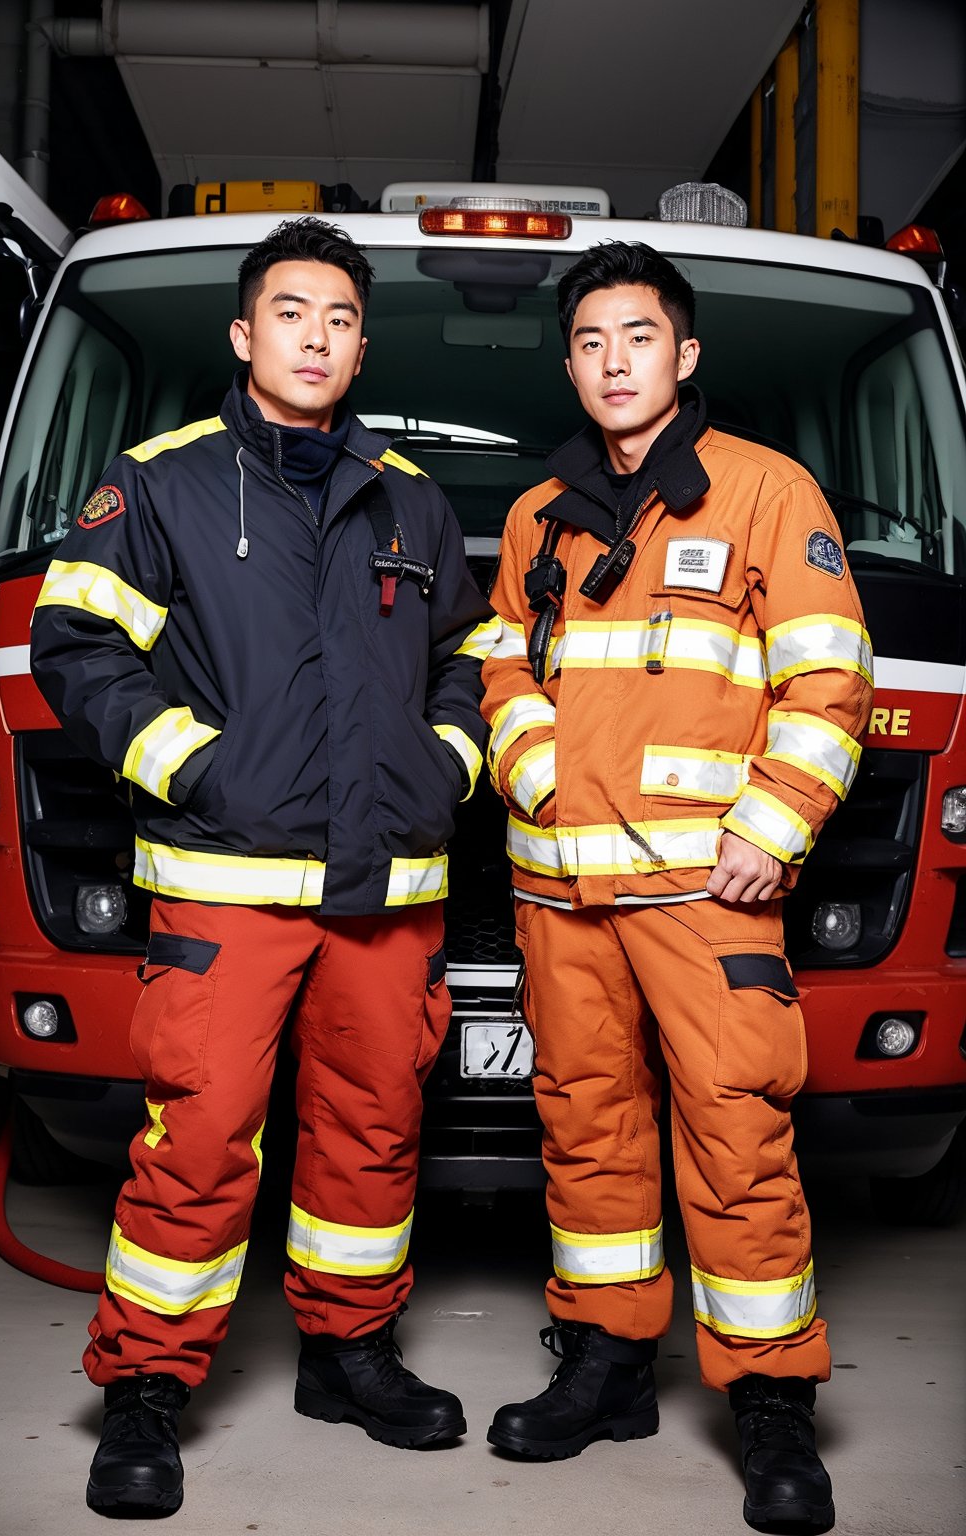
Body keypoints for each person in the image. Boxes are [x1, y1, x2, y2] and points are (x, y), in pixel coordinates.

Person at [30, 216, 497, 1517]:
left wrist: (448, 761)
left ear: (358, 344)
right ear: (246, 336)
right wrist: (191, 766)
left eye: (341, 319)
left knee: (374, 1132)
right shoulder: (164, 480)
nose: (317, 337)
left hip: (387, 899)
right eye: (293, 313)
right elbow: (75, 644)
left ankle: (348, 1355)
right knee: (198, 1144)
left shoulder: (407, 495)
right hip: (226, 891)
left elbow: (472, 652)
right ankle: (144, 1389)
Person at [480, 241, 872, 1533]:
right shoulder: (542, 515)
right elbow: (500, 667)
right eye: (590, 341)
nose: (612, 362)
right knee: (585, 1130)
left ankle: (770, 1406)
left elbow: (828, 677)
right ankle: (605, 1365)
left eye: (636, 338)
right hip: (563, 897)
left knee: (739, 1137)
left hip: (711, 892)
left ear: (685, 355)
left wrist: (780, 820)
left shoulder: (764, 491)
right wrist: (532, 767)